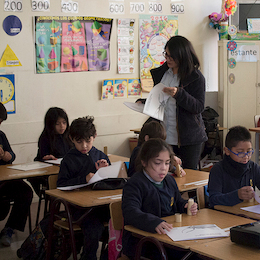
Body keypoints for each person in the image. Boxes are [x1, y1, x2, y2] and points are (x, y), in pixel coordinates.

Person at [137, 36, 208, 170]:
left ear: (182, 55)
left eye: (171, 56)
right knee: (166, 174)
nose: (167, 59)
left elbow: (198, 107)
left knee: (188, 176)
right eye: (166, 55)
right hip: (165, 136)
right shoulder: (162, 74)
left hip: (189, 138)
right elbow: (162, 100)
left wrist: (179, 94)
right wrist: (146, 102)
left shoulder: (196, 78)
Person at [122, 138, 198, 259]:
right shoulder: (135, 183)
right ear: (144, 162)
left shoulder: (169, 180)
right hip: (144, 242)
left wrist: (185, 206)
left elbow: (176, 202)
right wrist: (153, 222)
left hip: (169, 236)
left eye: (167, 163)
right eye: (158, 163)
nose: (163, 168)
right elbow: (130, 212)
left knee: (197, 253)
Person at [57, 116, 111, 260]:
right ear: (71, 139)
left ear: (95, 136)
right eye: (79, 142)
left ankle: (110, 255)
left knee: (122, 220)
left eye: (88, 141)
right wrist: (84, 179)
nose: (84, 146)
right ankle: (88, 257)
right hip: (80, 209)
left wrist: (104, 172)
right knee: (94, 229)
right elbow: (61, 184)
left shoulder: (100, 155)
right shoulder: (69, 159)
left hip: (102, 205)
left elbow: (113, 182)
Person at [0, 102, 33, 247]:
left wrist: (8, 156)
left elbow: (12, 155)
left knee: (25, 191)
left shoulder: (1, 135)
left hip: (4, 179)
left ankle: (9, 228)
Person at [208, 126, 260, 207]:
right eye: (240, 152)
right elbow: (213, 200)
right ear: (227, 151)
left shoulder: (253, 167)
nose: (246, 156)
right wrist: (237, 195)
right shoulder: (218, 169)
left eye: (249, 151)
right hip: (223, 215)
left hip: (246, 214)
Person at [29, 107, 73, 196]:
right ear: (50, 124)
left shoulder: (69, 136)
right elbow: (41, 157)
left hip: (67, 169)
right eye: (57, 124)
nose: (62, 126)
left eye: (64, 123)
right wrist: (46, 158)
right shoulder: (45, 138)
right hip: (51, 171)